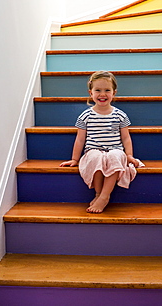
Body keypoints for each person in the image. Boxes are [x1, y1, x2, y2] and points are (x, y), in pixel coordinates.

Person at [60, 70, 143, 213]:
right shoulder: (85, 116)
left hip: (115, 149)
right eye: (97, 90)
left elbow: (126, 138)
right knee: (95, 158)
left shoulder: (120, 115)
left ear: (114, 93)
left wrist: (129, 155)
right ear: (90, 93)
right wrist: (74, 159)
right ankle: (98, 193)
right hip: (93, 149)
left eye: (107, 90)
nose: (102, 94)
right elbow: (80, 139)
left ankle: (105, 196)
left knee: (115, 157)